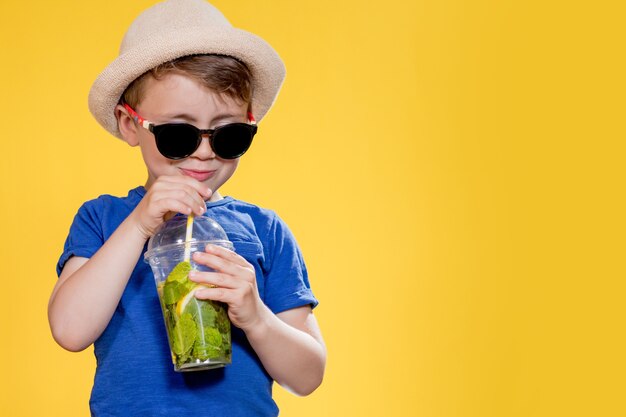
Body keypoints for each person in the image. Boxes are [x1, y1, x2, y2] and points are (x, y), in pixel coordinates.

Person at [47, 0, 326, 415]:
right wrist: (139, 225)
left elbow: (307, 377)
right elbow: (69, 330)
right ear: (130, 124)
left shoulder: (264, 230)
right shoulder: (103, 219)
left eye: (228, 135)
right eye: (178, 134)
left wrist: (256, 317)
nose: (204, 153)